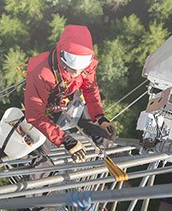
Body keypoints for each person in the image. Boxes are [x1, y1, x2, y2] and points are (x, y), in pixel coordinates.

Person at [24, 24, 117, 163]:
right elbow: (35, 115)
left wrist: (100, 118)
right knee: (42, 152)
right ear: (62, 57)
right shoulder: (42, 73)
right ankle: (41, 179)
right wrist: (65, 139)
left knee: (103, 134)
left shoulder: (87, 64)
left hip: (69, 99)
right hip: (45, 109)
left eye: (80, 69)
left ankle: (108, 155)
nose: (76, 73)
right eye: (71, 69)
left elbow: (90, 89)